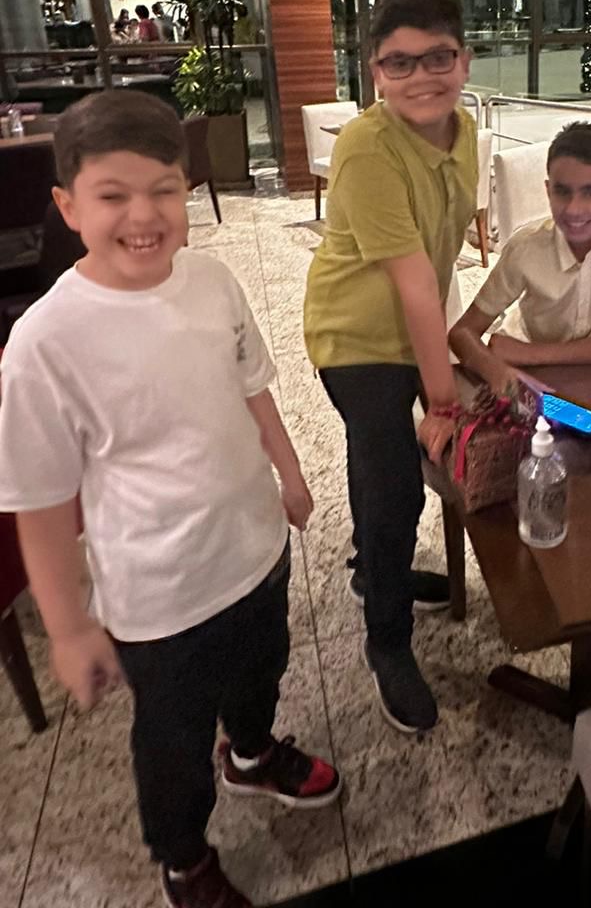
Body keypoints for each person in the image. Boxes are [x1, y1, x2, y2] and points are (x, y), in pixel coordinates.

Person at [0, 91, 340, 908]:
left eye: (163, 189)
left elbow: (253, 386)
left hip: (254, 548)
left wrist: (290, 472)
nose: (143, 215)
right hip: (158, 598)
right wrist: (70, 628)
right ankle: (183, 857)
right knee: (174, 739)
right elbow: (38, 503)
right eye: (113, 195)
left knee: (262, 669)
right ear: (68, 206)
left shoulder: (212, 281)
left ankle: (252, 754)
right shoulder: (44, 343)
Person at [304, 0, 477, 736]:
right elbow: (411, 282)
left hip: (417, 328)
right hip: (357, 336)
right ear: (375, 71)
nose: (420, 76)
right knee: (395, 485)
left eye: (437, 57)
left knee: (379, 470)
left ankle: (374, 570)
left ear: (464, 60)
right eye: (398, 62)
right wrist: (443, 401)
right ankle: (387, 638)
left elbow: (443, 254)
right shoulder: (366, 146)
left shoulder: (465, 129)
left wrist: (447, 363)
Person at [449, 120, 591, 391]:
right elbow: (462, 332)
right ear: (548, 190)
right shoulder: (526, 247)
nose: (574, 209)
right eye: (562, 192)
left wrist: (530, 353)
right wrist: (495, 370)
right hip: (532, 377)